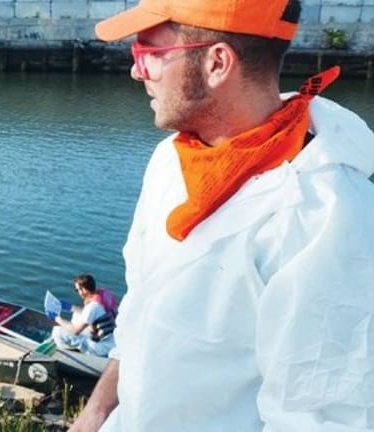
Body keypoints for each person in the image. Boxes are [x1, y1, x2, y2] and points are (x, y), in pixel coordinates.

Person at [71, 0, 374, 431]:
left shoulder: (326, 216)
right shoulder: (172, 161)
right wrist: (96, 413)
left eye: (148, 53)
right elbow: (140, 311)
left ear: (217, 62)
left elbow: (322, 421)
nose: (136, 71)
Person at [49, 274, 115, 357]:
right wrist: (69, 307)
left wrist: (57, 319)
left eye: (77, 290)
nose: (78, 293)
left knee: (56, 331)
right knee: (76, 316)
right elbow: (89, 314)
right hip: (111, 339)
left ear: (83, 290)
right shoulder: (104, 294)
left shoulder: (92, 307)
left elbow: (76, 331)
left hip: (99, 348)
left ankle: (69, 354)